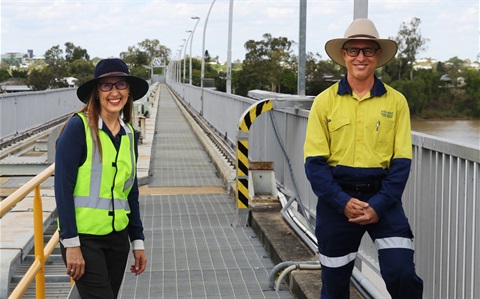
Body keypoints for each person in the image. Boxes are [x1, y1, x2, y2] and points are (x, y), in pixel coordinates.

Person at [303, 19, 423, 298]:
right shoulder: (324, 102)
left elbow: (401, 162)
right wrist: (342, 203)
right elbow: (315, 164)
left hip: (383, 198)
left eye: (367, 51)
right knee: (334, 285)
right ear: (343, 55)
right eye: (353, 50)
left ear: (377, 56)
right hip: (337, 200)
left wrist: (378, 205)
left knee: (401, 273)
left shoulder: (396, 102)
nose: (360, 57)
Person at [54, 58, 148, 298]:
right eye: (106, 86)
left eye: (121, 85)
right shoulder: (79, 127)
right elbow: (62, 188)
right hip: (85, 240)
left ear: (129, 91)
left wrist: (137, 241)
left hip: (117, 239)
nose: (114, 92)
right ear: (96, 92)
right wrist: (71, 243)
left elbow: (131, 193)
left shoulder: (129, 134)